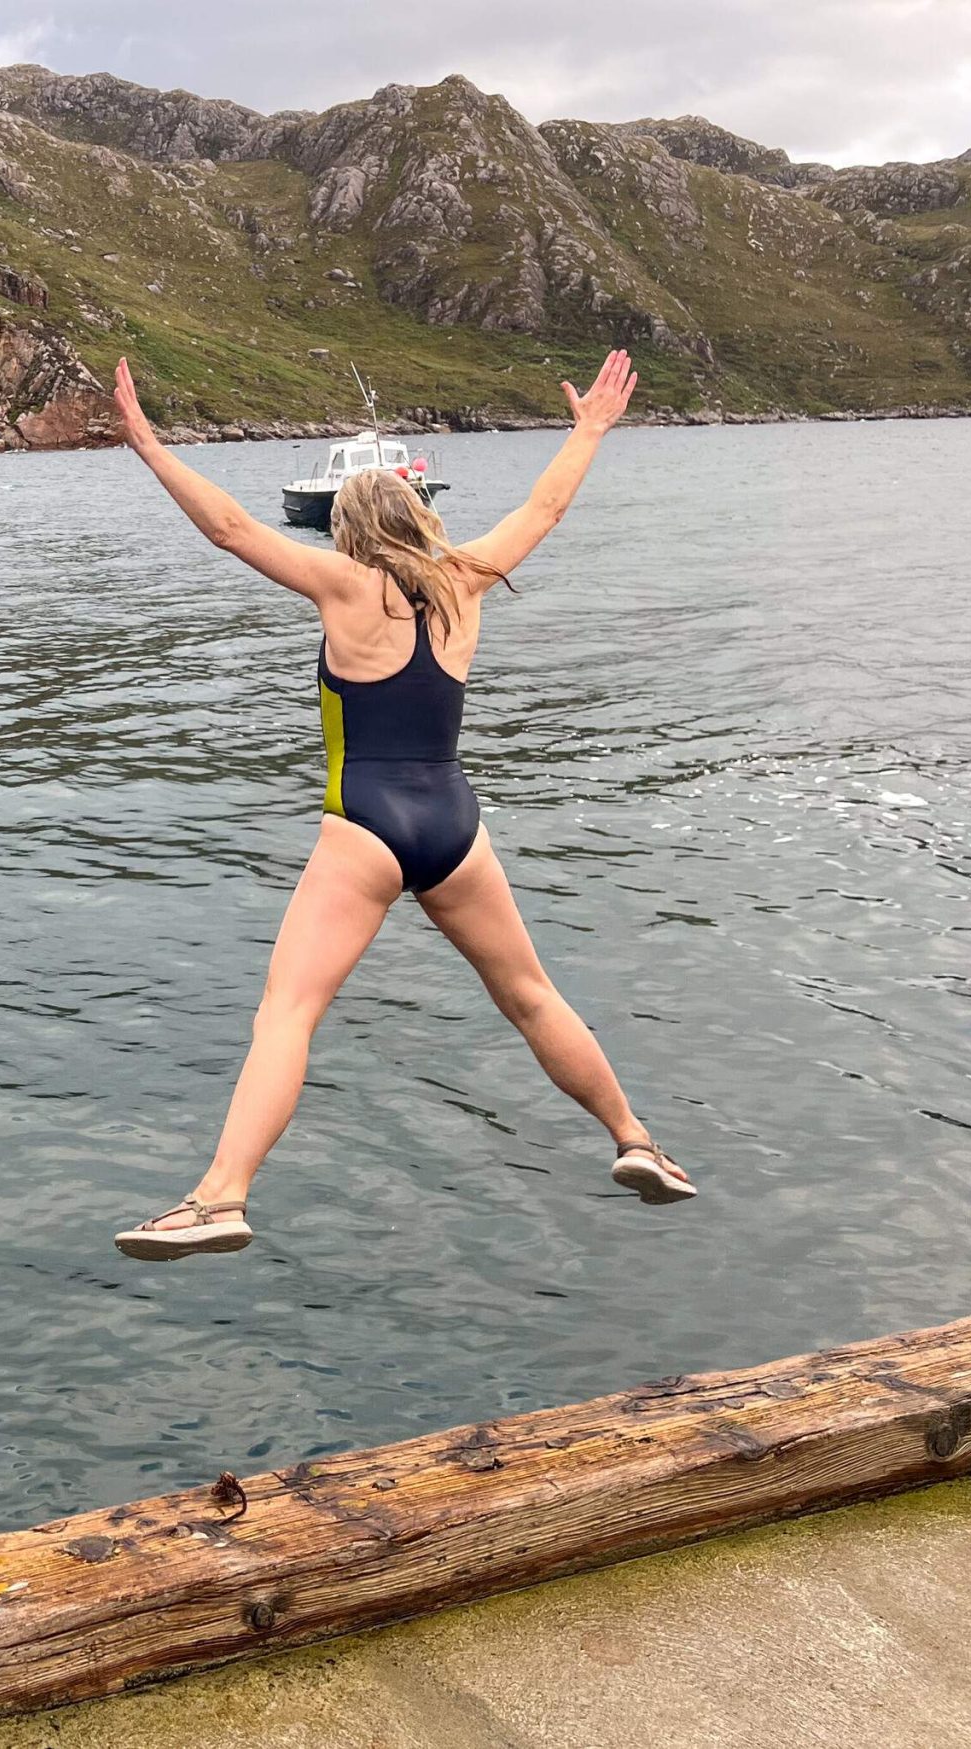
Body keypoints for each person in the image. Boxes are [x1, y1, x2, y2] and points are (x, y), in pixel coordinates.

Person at [108, 352, 696, 1262]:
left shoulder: (345, 584)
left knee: (288, 1013)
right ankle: (636, 1138)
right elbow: (544, 507)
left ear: (346, 530)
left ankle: (220, 1195)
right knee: (532, 995)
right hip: (455, 826)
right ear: (423, 517)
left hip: (366, 826)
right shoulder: (466, 578)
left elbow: (228, 526)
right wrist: (589, 430)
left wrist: (147, 443)